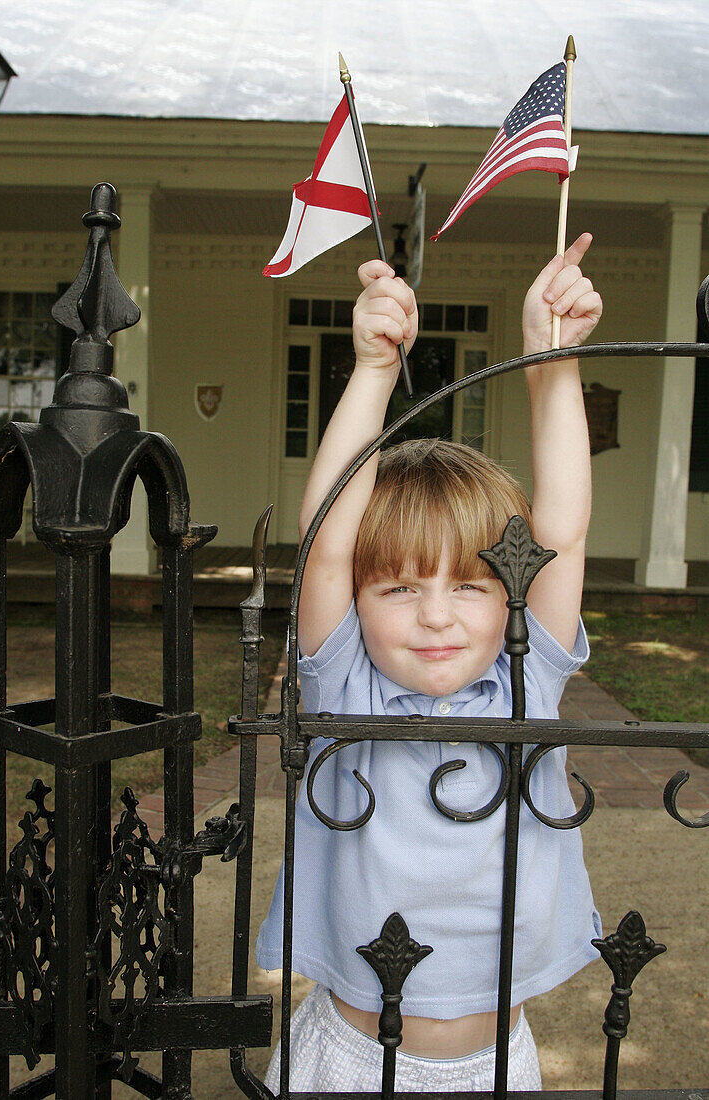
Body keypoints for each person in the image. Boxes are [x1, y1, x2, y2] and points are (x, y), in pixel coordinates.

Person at [256, 234, 604, 1092]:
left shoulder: (525, 677)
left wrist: (549, 365)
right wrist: (373, 372)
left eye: (473, 587)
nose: (439, 616)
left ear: (513, 596)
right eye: (402, 588)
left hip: (496, 1064)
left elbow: (561, 531)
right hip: (346, 1059)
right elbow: (328, 545)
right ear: (363, 602)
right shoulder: (346, 684)